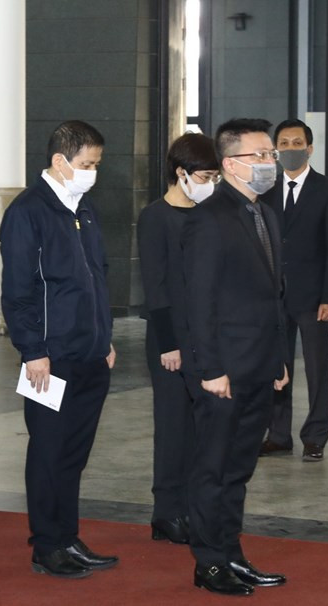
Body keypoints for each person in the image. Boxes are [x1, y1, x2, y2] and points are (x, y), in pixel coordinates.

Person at [0, 120, 118, 579]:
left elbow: (98, 277)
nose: (93, 172)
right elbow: (17, 291)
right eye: (86, 164)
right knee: (49, 452)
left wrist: (104, 338)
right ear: (59, 161)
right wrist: (32, 351)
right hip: (50, 359)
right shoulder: (28, 212)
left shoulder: (83, 207)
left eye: (96, 165)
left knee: (74, 453)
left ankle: (68, 536)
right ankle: (47, 545)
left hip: (90, 354)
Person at [181, 118, 289, 596]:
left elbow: (273, 296)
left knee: (239, 468)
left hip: (259, 363)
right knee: (213, 468)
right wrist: (210, 369)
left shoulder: (264, 212)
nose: (270, 163)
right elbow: (198, 303)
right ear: (230, 164)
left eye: (271, 155)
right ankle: (209, 563)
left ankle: (231, 553)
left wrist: (279, 359)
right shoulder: (209, 218)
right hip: (223, 370)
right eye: (260, 156)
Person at [137, 133, 218, 545]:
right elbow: (156, 287)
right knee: (172, 427)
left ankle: (190, 506)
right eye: (205, 176)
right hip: (171, 339)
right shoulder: (156, 217)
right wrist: (168, 344)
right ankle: (166, 511)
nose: (210, 184)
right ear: (181, 173)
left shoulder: (209, 213)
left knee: (199, 429)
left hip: (205, 337)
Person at [258, 118, 328, 462]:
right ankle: (278, 434)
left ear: (310, 148)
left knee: (317, 368)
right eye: (284, 143)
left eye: (297, 143)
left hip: (313, 298)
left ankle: (315, 435)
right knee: (277, 366)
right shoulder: (265, 189)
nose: (290, 149)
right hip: (273, 295)